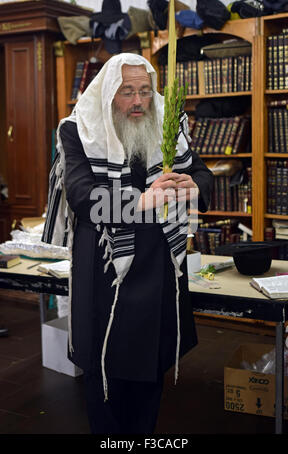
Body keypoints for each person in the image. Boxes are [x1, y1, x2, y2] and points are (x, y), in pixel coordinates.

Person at [42, 53, 213, 434]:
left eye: (145, 91)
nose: (138, 102)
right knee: (105, 373)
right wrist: (140, 201)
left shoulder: (165, 123)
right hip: (105, 272)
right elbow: (82, 196)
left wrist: (195, 185)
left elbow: (201, 171)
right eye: (127, 92)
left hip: (158, 267)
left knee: (150, 370)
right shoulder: (78, 130)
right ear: (107, 94)